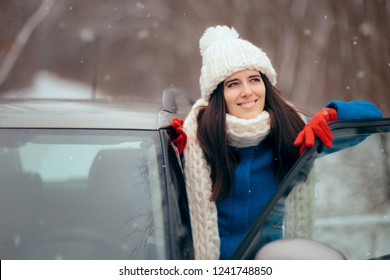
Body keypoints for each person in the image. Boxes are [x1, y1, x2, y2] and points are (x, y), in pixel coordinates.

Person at [171, 25, 382, 260]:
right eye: (233, 84)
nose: (248, 91)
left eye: (254, 79)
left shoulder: (292, 132)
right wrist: (177, 157)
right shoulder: (196, 143)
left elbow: (371, 116)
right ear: (217, 94)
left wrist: (334, 115)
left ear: (265, 84)